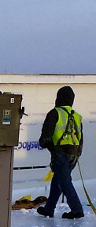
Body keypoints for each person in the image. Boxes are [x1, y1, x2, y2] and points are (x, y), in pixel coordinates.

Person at [37, 85, 85, 219]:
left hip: (60, 153)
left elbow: (45, 137)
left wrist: (49, 146)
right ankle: (49, 209)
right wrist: (77, 153)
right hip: (74, 154)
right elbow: (81, 139)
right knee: (58, 179)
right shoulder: (77, 116)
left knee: (64, 182)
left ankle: (77, 210)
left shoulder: (55, 113)